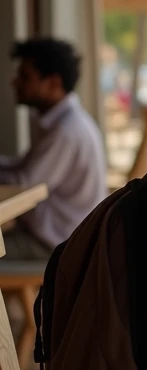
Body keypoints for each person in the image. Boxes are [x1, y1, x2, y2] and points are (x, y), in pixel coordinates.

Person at [0, 38, 107, 260]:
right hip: (54, 235)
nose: (15, 82)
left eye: (25, 77)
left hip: (58, 245)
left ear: (53, 83)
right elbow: (24, 167)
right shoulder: (62, 122)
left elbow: (22, 183)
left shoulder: (66, 131)